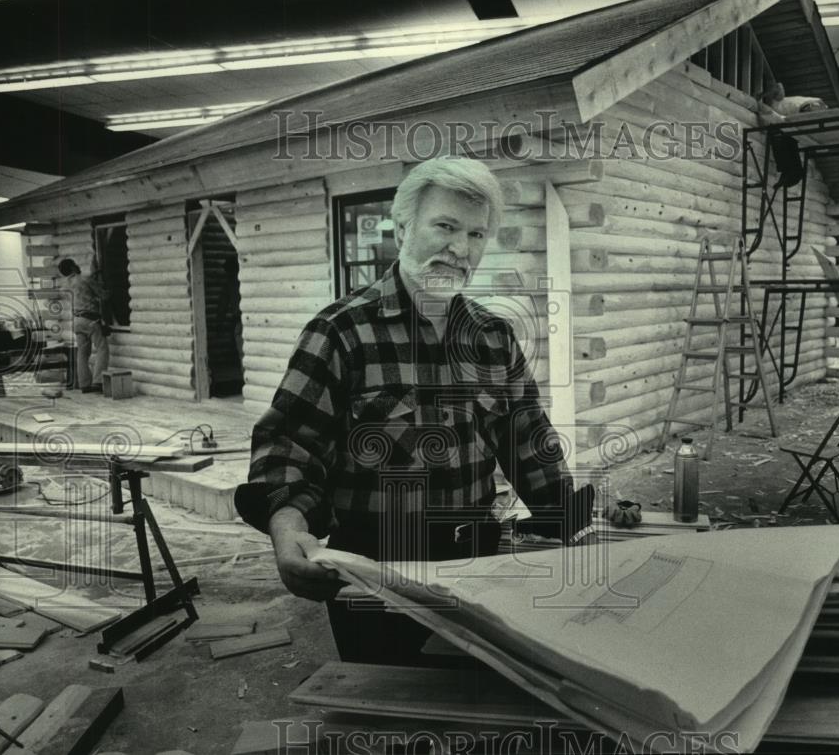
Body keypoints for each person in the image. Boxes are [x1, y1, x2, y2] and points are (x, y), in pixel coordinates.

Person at [235, 156, 595, 664]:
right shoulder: (340, 332)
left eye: (475, 234)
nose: (460, 248)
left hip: (475, 563)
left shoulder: (493, 337)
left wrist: (570, 521)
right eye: (445, 226)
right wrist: (289, 528)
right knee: (386, 714)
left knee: (467, 702)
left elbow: (527, 438)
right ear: (403, 225)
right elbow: (290, 444)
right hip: (374, 567)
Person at [58, 257, 109, 393]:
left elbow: (81, 290)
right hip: (90, 319)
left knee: (82, 353)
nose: (77, 266)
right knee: (102, 348)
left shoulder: (65, 286)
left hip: (77, 320)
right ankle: (98, 381)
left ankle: (84, 384)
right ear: (73, 268)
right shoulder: (85, 279)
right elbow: (103, 295)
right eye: (75, 265)